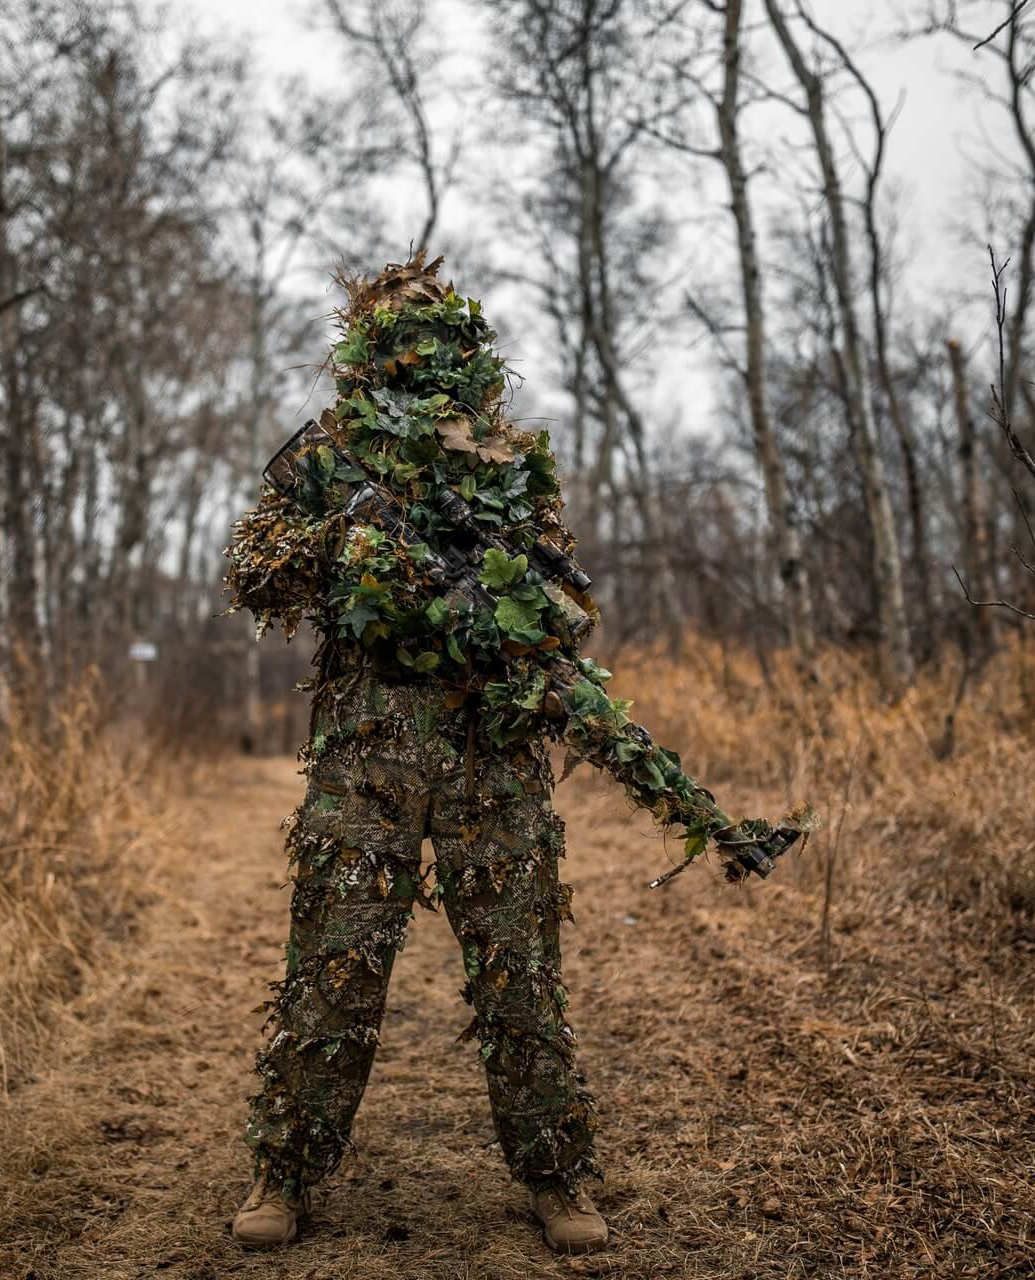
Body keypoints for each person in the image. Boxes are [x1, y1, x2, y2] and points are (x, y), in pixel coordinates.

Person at [221, 255, 798, 1255]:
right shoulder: (325, 455)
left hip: (495, 742)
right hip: (369, 743)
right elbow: (254, 572)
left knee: (521, 972)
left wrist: (511, 630)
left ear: (463, 346)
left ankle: (558, 1172)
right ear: (364, 343)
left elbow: (553, 598)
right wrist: (345, 545)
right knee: (332, 966)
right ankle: (286, 1169)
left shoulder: (502, 460)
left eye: (437, 332)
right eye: (398, 332)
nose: (420, 350)